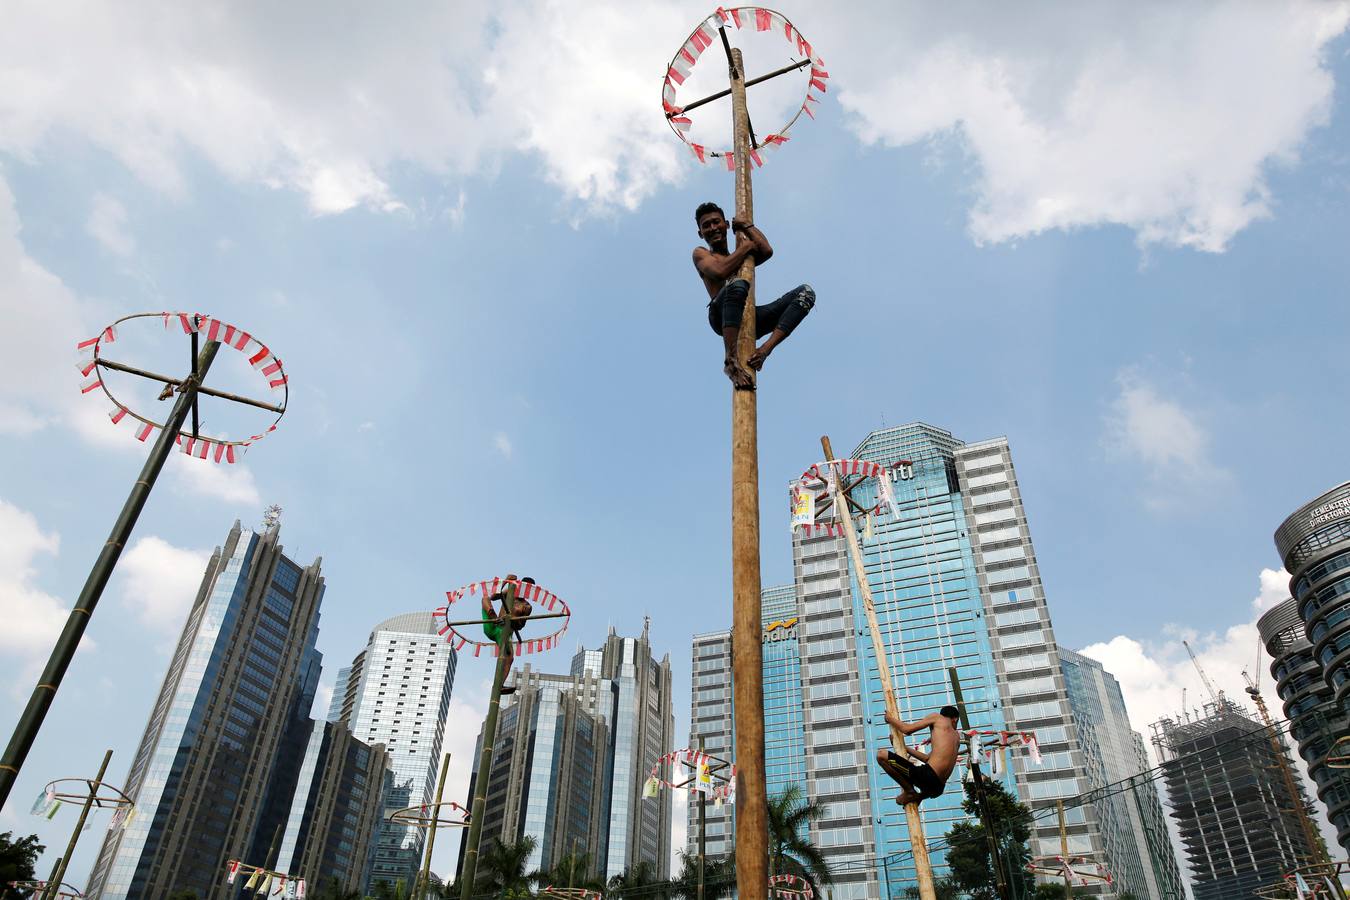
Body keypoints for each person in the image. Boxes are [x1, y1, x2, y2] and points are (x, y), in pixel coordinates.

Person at [692, 201, 815, 390]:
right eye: (706, 225)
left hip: (748, 315)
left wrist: (746, 226)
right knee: (738, 284)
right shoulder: (701, 254)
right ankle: (730, 361)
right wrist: (746, 247)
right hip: (721, 313)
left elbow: (766, 250)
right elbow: (719, 272)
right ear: (700, 233)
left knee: (805, 292)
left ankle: (764, 350)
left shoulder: (742, 258)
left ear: (726, 224)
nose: (712, 228)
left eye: (716, 222)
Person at [875, 705, 962, 806]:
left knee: (881, 755)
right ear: (955, 719)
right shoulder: (957, 738)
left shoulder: (937, 718)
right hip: (937, 789)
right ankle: (918, 796)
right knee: (900, 800)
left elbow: (907, 730)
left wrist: (889, 719)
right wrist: (903, 747)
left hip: (927, 777)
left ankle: (910, 792)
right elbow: (927, 758)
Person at [480, 575, 534, 694]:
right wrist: (506, 580)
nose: (524, 590)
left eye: (528, 588)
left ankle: (499, 685)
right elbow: (493, 596)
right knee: (485, 598)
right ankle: (493, 616)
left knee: (509, 658)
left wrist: (510, 619)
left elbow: (521, 625)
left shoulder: (527, 606)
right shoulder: (509, 592)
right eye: (523, 586)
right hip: (493, 624)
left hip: (504, 632)